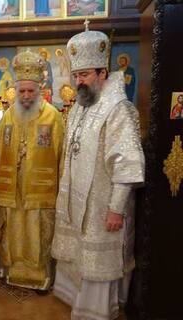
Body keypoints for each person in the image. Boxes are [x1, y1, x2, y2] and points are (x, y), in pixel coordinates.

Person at [51, 25, 145, 320]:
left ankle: (96, 310)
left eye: (85, 75)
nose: (79, 82)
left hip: (102, 203)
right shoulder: (81, 105)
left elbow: (128, 163)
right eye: (76, 75)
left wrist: (116, 208)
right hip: (78, 199)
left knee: (97, 259)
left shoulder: (119, 109)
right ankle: (76, 299)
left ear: (103, 73)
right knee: (77, 255)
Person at [0, 50, 64, 293]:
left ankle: (40, 275)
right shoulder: (7, 116)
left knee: (37, 231)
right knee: (14, 229)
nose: (25, 96)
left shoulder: (53, 117)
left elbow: (62, 157)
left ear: (40, 89)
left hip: (40, 189)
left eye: (30, 91)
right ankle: (11, 270)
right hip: (12, 187)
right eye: (21, 91)